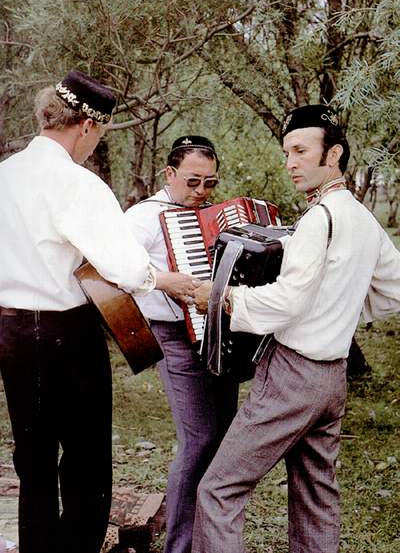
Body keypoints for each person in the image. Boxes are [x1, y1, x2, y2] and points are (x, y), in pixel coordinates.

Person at [0, 70, 196, 553]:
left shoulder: (6, 174)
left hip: (10, 332)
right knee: (86, 465)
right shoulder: (77, 183)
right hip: (66, 335)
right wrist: (169, 282)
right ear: (87, 125)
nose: (94, 146)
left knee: (34, 464)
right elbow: (125, 267)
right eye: (99, 135)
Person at [191, 104, 400, 553]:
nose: (290, 163)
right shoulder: (362, 218)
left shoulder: (318, 220)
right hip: (333, 378)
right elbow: (395, 289)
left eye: (301, 151)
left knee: (219, 489)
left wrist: (222, 297)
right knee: (316, 498)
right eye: (287, 152)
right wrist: (338, 309)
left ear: (334, 154)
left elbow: (286, 302)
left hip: (292, 377)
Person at [124, 136, 239, 553]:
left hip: (216, 333)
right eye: (193, 181)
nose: (202, 192)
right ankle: (180, 546)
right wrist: (161, 282)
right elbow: (110, 270)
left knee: (223, 434)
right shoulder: (143, 217)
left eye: (210, 183)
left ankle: (210, 539)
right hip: (172, 336)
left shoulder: (211, 214)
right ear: (169, 174)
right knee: (199, 437)